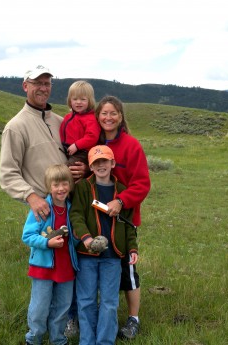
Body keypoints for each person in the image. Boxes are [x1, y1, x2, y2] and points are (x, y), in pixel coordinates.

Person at [0, 65, 88, 223]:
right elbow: (8, 174)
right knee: (46, 247)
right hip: (45, 209)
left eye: (47, 84)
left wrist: (85, 168)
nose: (43, 88)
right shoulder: (16, 127)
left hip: (74, 205)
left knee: (77, 247)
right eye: (37, 83)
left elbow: (81, 151)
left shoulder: (61, 121)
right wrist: (31, 197)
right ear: (25, 86)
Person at [70, 145, 138, 345]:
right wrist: (86, 239)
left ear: (112, 163)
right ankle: (87, 341)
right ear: (90, 167)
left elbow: (129, 225)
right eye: (96, 163)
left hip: (113, 257)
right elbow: (76, 215)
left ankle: (105, 341)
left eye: (105, 161)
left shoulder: (122, 192)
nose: (101, 166)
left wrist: (132, 249)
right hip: (87, 255)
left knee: (109, 302)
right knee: (86, 301)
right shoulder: (83, 187)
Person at [96, 96, 151, 340]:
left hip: (124, 221)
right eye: (104, 113)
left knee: (127, 271)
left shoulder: (131, 146)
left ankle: (133, 319)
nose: (108, 117)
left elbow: (142, 184)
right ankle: (99, 313)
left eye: (113, 113)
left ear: (121, 116)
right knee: (95, 267)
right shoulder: (94, 145)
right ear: (98, 116)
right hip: (95, 219)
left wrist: (121, 201)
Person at [22, 164, 79, 345]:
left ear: (70, 185)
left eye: (64, 184)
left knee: (62, 308)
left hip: (66, 267)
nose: (61, 189)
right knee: (39, 307)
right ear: (49, 187)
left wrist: (77, 238)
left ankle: (58, 339)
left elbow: (75, 240)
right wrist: (47, 243)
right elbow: (28, 236)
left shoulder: (72, 210)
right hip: (43, 267)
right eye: (56, 185)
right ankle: (34, 338)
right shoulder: (41, 209)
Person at [59, 80, 100, 166]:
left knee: (69, 169)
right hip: (67, 148)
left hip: (82, 152)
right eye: (75, 99)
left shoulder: (91, 118)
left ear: (90, 101)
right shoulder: (68, 117)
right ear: (70, 101)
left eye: (83, 99)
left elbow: (92, 137)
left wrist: (77, 145)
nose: (78, 102)